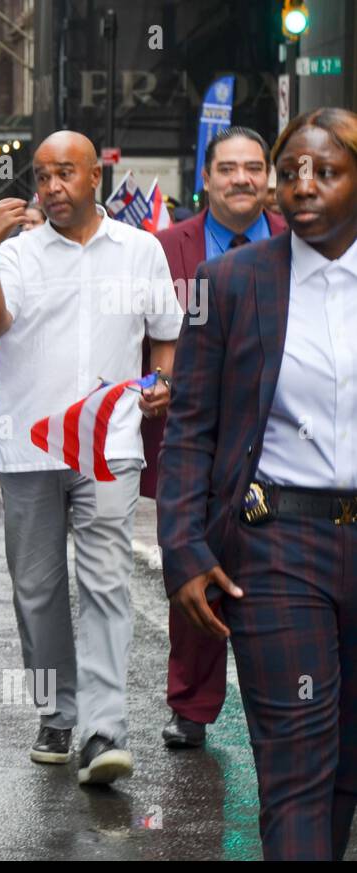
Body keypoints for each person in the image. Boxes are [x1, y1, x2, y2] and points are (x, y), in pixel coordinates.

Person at [158, 108, 357, 861]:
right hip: (279, 548)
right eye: (292, 172)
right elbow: (192, 425)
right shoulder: (232, 281)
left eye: (327, 172)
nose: (302, 188)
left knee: (346, 767)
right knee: (297, 768)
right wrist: (183, 547)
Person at [0, 131, 182, 785]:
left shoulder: (141, 250)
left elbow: (166, 333)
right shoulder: (18, 253)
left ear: (96, 176)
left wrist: (159, 383)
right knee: (37, 591)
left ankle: (104, 730)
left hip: (109, 448)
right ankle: (57, 712)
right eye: (41, 175)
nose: (52, 185)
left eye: (65, 172)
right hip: (32, 447)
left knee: (105, 586)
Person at [146, 126, 287, 751]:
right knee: (194, 563)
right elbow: (142, 334)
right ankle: (191, 705)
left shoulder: (298, 246)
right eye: (228, 169)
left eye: (254, 168)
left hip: (278, 444)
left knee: (273, 579)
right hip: (197, 439)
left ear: (269, 178)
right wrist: (148, 385)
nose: (242, 180)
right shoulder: (168, 248)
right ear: (206, 178)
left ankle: (286, 701)